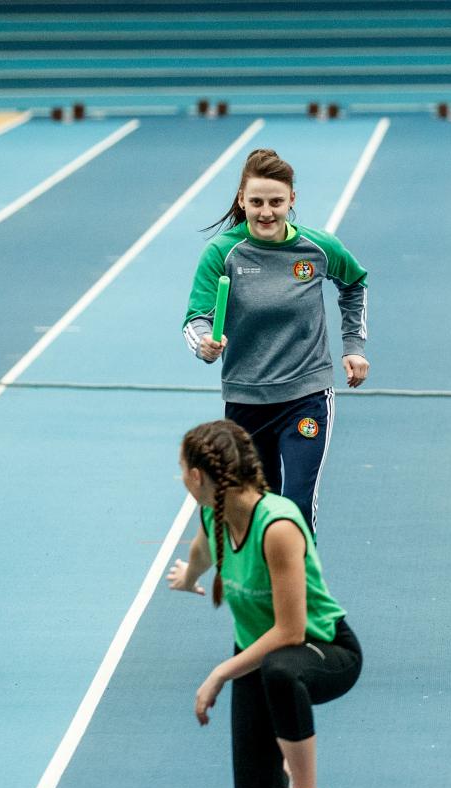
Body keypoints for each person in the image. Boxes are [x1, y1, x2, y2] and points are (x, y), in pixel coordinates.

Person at [165, 420, 362, 788]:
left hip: (323, 647)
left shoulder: (277, 526)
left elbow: (291, 631)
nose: (181, 478)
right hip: (260, 656)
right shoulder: (213, 512)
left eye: (182, 469)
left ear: (197, 476)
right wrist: (188, 575)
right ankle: (285, 762)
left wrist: (220, 673)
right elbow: (203, 551)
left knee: (280, 671)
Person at [182, 149, 370, 535]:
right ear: (241, 201)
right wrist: (204, 344)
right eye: (256, 202)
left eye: (275, 202)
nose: (266, 212)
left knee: (297, 505)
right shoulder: (222, 253)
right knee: (257, 507)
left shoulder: (318, 248)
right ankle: (266, 590)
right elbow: (196, 318)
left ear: (291, 201)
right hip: (246, 400)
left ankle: (301, 592)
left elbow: (354, 284)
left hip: (307, 395)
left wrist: (353, 346)